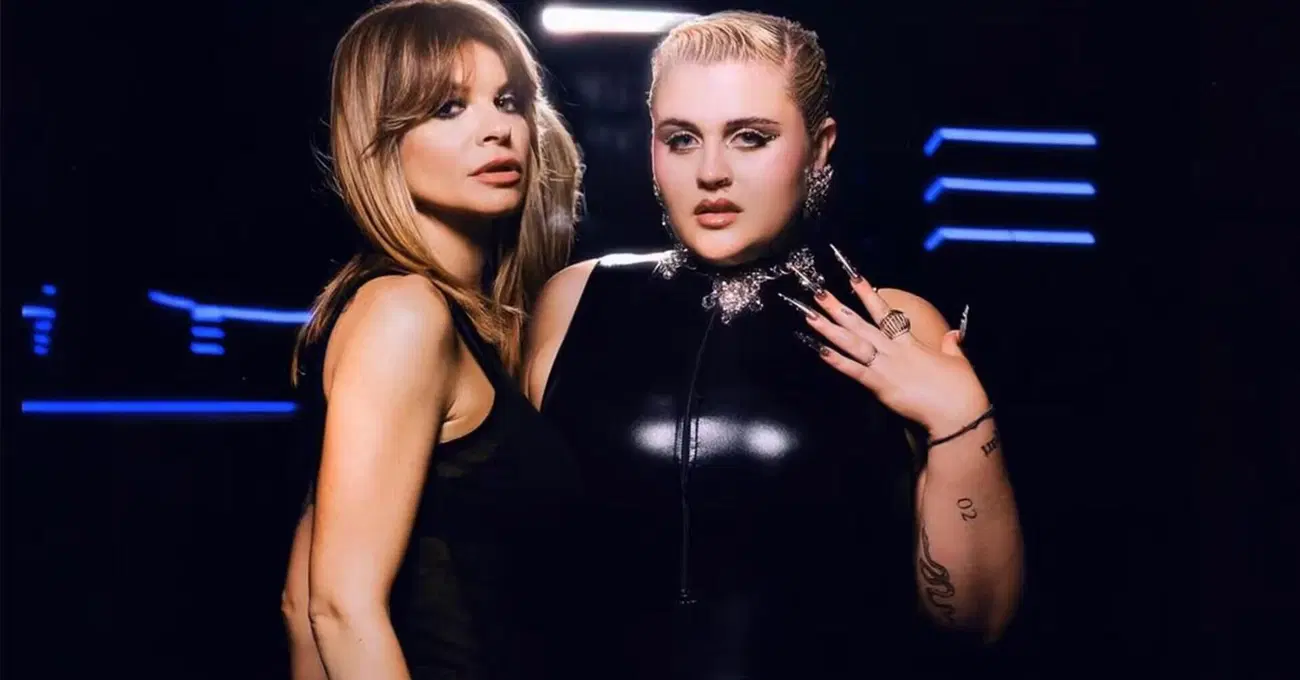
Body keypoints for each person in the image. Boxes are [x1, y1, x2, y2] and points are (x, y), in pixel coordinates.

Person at [524, 10, 1023, 678]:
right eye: (681, 139)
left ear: (820, 147)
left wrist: (963, 419)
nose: (711, 172)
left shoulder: (895, 326)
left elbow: (979, 621)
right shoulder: (574, 298)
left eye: (750, 138)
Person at [278, 1, 583, 678]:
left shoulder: (445, 317)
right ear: (382, 140)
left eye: (507, 101)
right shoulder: (405, 313)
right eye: (448, 108)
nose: (497, 129)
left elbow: (300, 604)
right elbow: (337, 609)